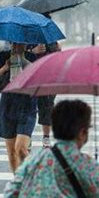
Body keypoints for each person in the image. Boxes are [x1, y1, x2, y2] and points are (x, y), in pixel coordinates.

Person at [0, 43, 37, 173]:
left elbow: (42, 79)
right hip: (7, 107)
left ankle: (29, 178)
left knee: (20, 149)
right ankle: (18, 182)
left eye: (20, 43)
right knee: (11, 152)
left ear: (26, 44)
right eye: (14, 43)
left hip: (27, 107)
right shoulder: (3, 56)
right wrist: (4, 68)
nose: (16, 46)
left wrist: (26, 63)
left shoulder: (33, 57)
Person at [28, 13, 62, 148]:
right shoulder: (28, 37)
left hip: (49, 78)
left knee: (47, 107)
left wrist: (58, 51)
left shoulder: (52, 40)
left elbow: (58, 58)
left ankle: (46, 138)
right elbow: (17, 53)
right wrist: (32, 50)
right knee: (29, 108)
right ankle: (26, 136)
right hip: (31, 77)